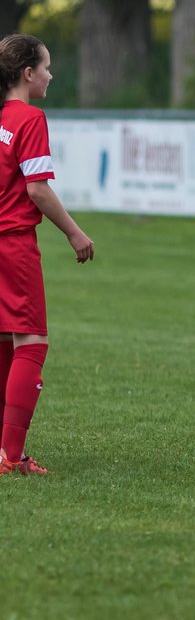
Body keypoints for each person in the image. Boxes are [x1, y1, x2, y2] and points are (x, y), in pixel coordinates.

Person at [0, 34, 94, 476]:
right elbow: (36, 189)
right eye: (47, 67)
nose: (51, 75)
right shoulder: (29, 118)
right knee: (32, 341)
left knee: (4, 341)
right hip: (13, 243)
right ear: (27, 73)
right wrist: (75, 233)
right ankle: (11, 456)